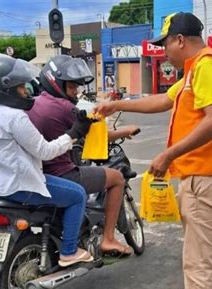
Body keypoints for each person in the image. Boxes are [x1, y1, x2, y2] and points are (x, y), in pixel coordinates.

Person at [95, 12, 212, 289]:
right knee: (203, 254)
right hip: (203, 174)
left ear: (180, 40)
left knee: (197, 261)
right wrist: (117, 105)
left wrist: (169, 155)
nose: (164, 51)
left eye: (165, 44)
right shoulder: (193, 71)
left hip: (208, 175)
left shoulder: (206, 65)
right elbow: (164, 100)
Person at [0, 56, 94, 267]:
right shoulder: (16, 117)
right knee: (77, 194)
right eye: (22, 88)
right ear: (7, 90)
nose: (26, 92)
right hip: (18, 187)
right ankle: (69, 251)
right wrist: (73, 133)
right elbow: (45, 151)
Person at [27, 55, 139, 258]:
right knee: (117, 178)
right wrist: (126, 130)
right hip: (60, 173)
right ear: (57, 83)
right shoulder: (65, 108)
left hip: (37, 172)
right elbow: (96, 136)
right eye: (72, 87)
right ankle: (109, 239)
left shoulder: (33, 104)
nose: (76, 92)